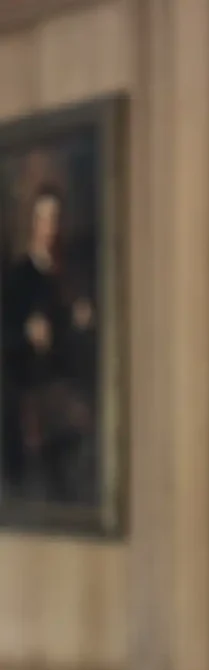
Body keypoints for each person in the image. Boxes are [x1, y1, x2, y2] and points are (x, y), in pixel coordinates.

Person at [1, 183, 96, 506]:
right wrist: (27, 333)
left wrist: (80, 319)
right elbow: (9, 334)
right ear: (32, 222)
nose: (49, 227)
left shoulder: (67, 276)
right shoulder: (18, 276)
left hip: (62, 385)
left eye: (54, 219)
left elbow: (70, 336)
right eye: (43, 218)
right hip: (30, 388)